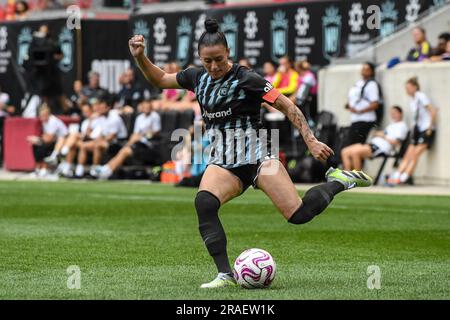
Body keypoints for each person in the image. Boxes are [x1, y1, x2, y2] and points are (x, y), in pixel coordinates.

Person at [129, 18, 373, 289]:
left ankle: (340, 181)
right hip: (224, 162)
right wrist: (141, 57)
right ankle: (224, 274)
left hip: (259, 159)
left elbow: (288, 106)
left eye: (219, 60)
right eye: (207, 61)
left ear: (228, 53)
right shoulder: (195, 77)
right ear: (200, 58)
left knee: (298, 215)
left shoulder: (247, 78)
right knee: (205, 204)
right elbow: (160, 79)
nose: (213, 66)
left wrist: (311, 140)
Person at [92, 99, 161, 179]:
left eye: (148, 106)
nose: (146, 108)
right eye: (144, 106)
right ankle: (106, 169)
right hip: (137, 144)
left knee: (125, 150)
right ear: (142, 107)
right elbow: (135, 133)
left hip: (149, 145)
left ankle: (107, 171)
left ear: (151, 107)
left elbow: (156, 132)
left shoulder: (155, 116)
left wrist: (143, 135)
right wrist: (134, 139)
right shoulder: (139, 118)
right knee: (125, 148)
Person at [387, 77, 438, 185]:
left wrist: (430, 127)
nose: (407, 90)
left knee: (415, 154)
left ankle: (404, 177)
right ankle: (397, 175)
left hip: (426, 129)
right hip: (417, 130)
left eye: (409, 88)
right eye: (406, 88)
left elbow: (433, 110)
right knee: (408, 154)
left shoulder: (421, 96)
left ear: (415, 87)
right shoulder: (413, 100)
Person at [341, 106, 408, 171]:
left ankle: (357, 178)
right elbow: (384, 133)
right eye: (392, 113)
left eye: (395, 113)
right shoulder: (392, 125)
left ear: (400, 113)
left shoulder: (402, 126)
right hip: (372, 144)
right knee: (345, 151)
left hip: (380, 148)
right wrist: (377, 133)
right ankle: (348, 176)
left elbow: (396, 142)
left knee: (355, 152)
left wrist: (383, 136)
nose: (393, 115)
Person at [345, 62, 381, 147]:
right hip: (355, 119)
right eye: (363, 69)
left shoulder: (372, 84)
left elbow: (375, 104)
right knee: (350, 146)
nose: (364, 71)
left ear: (371, 72)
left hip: (365, 120)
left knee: (356, 146)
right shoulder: (359, 83)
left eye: (367, 69)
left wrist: (360, 111)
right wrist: (350, 106)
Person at [27, 104, 68, 177]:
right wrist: (38, 140)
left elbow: (49, 138)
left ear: (48, 114)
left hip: (62, 142)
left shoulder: (53, 121)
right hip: (53, 141)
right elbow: (46, 136)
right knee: (35, 145)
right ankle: (37, 169)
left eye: (44, 115)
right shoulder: (44, 122)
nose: (42, 117)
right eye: (41, 115)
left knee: (43, 146)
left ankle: (44, 169)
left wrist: (37, 139)